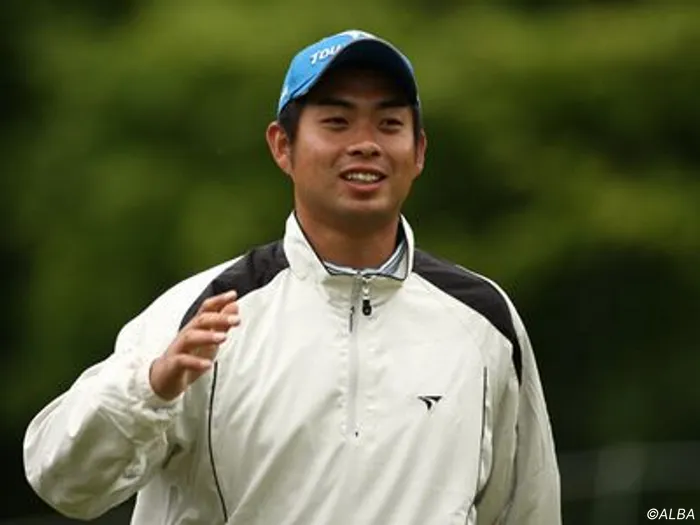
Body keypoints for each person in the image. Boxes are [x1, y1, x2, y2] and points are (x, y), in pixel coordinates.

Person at [23, 29, 561, 524]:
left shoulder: (483, 320)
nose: (366, 143)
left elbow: (528, 507)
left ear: (418, 151)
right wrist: (150, 388)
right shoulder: (208, 313)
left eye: (389, 124)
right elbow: (63, 481)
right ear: (283, 146)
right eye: (337, 122)